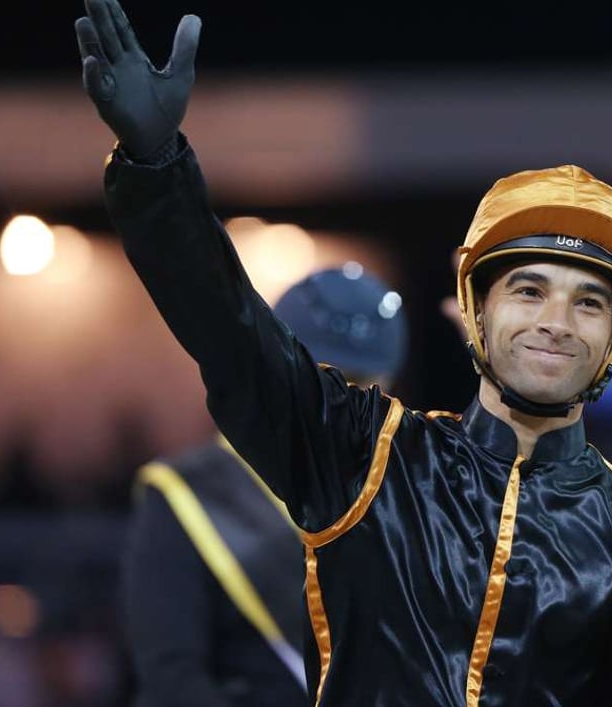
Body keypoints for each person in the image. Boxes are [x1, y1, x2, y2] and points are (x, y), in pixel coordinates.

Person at [75, 2, 612, 704]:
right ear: (475, 310)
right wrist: (157, 171)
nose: (556, 322)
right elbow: (228, 329)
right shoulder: (368, 456)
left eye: (589, 302)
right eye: (529, 289)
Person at [120, 265, 408, 707]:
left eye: (363, 384)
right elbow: (172, 682)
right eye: (327, 379)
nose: (343, 401)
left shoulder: (406, 491)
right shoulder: (185, 495)